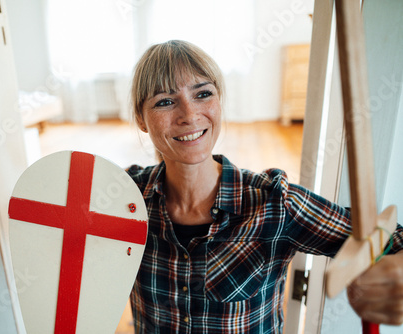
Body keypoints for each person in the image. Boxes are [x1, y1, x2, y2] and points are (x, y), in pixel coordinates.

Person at [126, 40, 403, 333]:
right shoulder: (126, 199)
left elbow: (394, 241)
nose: (189, 115)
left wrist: (396, 273)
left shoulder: (275, 205)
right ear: (142, 119)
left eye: (203, 94)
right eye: (165, 102)